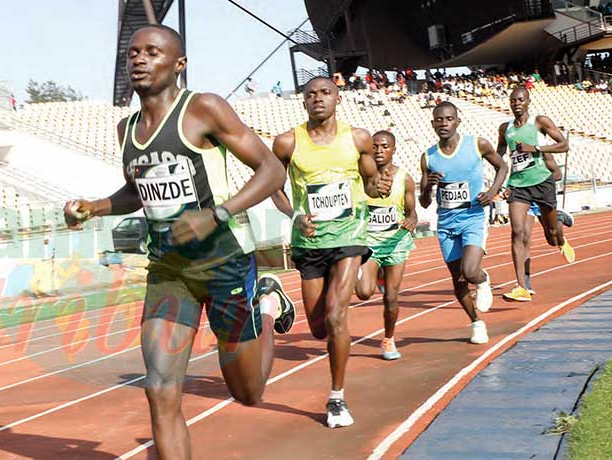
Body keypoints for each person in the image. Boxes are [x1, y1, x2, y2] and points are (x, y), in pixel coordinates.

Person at [62, 25, 294, 460]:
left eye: (152, 51)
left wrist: (217, 213)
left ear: (179, 64)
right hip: (169, 272)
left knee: (249, 393)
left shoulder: (204, 109)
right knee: (160, 389)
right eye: (133, 52)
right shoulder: (126, 129)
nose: (139, 59)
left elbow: (271, 171)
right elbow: (136, 191)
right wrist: (94, 206)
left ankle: (266, 304)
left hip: (225, 263)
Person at [270, 76, 392, 428]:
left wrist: (378, 186)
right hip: (310, 243)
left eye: (325, 93)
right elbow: (271, 185)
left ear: (338, 98)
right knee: (319, 330)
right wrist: (294, 213)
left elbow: (371, 181)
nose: (317, 99)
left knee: (338, 316)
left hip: (349, 237)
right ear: (303, 102)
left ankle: (336, 398)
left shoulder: (358, 138)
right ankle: (275, 303)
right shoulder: (288, 143)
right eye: (310, 95)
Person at [419, 102, 506, 345]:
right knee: (457, 280)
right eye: (438, 120)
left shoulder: (478, 144)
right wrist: (428, 186)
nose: (443, 124)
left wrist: (492, 192)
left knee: (470, 271)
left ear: (457, 121)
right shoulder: (428, 156)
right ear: (433, 124)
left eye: (448, 119)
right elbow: (424, 202)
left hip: (473, 218)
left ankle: (482, 279)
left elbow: (502, 166)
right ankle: (476, 323)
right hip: (446, 223)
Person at [496, 87, 575, 302]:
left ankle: (559, 228)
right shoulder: (506, 128)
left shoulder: (539, 122)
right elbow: (499, 154)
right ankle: (522, 286)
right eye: (513, 100)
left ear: (528, 101)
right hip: (518, 187)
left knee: (551, 235)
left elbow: (564, 145)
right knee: (518, 233)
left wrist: (536, 148)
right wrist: (496, 182)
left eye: (521, 100)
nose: (517, 103)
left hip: (542, 183)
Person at [353, 131, 417, 361]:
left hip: (396, 244)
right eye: (375, 147)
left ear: (393, 149)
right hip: (370, 243)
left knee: (391, 296)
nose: (379, 151)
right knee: (362, 292)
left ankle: (388, 339)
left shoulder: (405, 178)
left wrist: (412, 220)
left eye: (385, 147)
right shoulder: (360, 178)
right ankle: (376, 276)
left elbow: (412, 212)